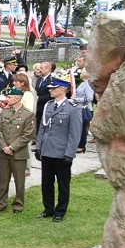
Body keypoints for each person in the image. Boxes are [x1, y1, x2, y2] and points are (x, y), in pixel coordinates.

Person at [34, 74, 82, 222]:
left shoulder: (72, 108)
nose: (50, 90)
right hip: (47, 150)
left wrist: (70, 153)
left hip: (62, 153)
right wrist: (39, 147)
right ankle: (48, 208)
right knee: (46, 183)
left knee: (63, 184)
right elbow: (43, 127)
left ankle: (60, 211)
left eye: (53, 88)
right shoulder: (49, 105)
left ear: (62, 90)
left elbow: (74, 133)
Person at [0, 87, 35, 213]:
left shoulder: (28, 114)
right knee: (3, 180)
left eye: (9, 97)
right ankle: (1, 203)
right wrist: (4, 146)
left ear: (17, 99)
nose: (7, 99)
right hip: (4, 152)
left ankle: (18, 205)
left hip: (18, 154)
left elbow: (27, 135)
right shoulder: (5, 112)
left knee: (19, 181)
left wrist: (12, 147)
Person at [73, 70, 94, 153]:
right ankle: (78, 144)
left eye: (82, 72)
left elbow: (90, 98)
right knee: (78, 127)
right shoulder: (82, 83)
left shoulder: (88, 85)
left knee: (82, 128)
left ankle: (82, 145)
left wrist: (77, 99)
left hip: (84, 108)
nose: (80, 74)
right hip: (78, 108)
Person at [34, 61, 54, 132]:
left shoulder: (52, 80)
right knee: (38, 126)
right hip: (38, 108)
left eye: (41, 68)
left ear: (48, 69)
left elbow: (52, 95)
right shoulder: (39, 80)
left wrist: (39, 98)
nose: (40, 70)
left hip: (47, 107)